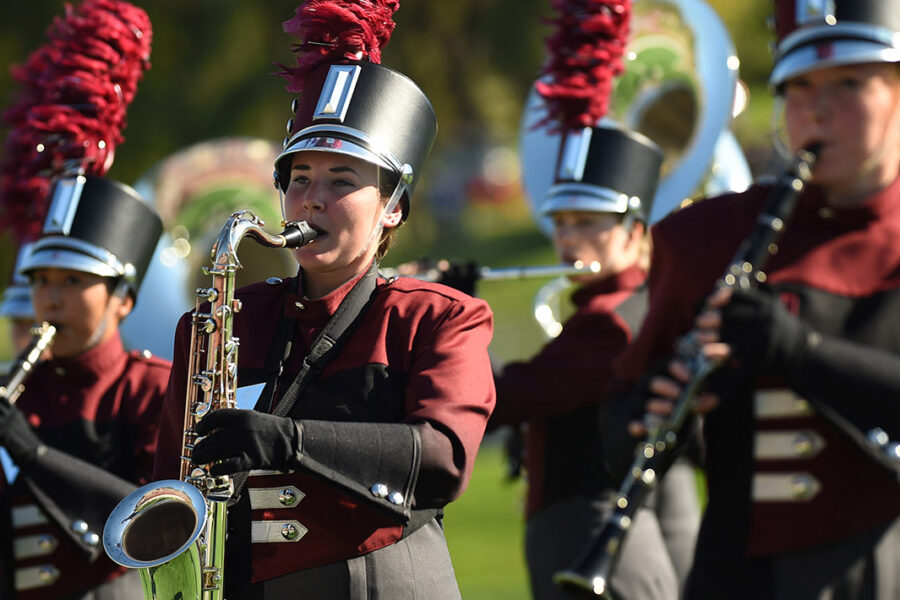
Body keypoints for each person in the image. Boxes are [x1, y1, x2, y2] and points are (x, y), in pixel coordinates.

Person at [150, 31, 496, 600]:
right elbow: (171, 488)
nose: (312, 198)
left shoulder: (437, 317)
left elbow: (443, 458)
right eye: (299, 178)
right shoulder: (218, 322)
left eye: (342, 181)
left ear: (392, 208)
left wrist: (291, 440)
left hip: (385, 585)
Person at [612, 0, 900, 597]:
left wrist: (798, 350)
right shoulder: (708, 238)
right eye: (798, 87)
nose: (817, 107)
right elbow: (617, 424)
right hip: (738, 576)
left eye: (849, 82)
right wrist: (660, 416)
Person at [487, 123, 694, 600]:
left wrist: (450, 318)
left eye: (587, 222)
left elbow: (509, 396)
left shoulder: (611, 322)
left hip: (588, 528)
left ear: (635, 230)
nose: (568, 238)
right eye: (561, 222)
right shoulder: (639, 302)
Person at [0, 175, 168, 599]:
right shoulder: (17, 389)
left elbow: (161, 521)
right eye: (40, 280)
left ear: (123, 298)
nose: (51, 299)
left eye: (73, 281)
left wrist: (32, 455)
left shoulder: (150, 388)